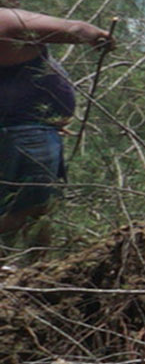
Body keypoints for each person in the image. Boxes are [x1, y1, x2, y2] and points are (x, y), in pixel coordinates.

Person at [0, 28, 79, 257]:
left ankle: (35, 273)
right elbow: (70, 30)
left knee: (39, 207)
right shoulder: (9, 26)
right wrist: (89, 33)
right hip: (24, 134)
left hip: (33, 130)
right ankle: (26, 274)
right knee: (30, 207)